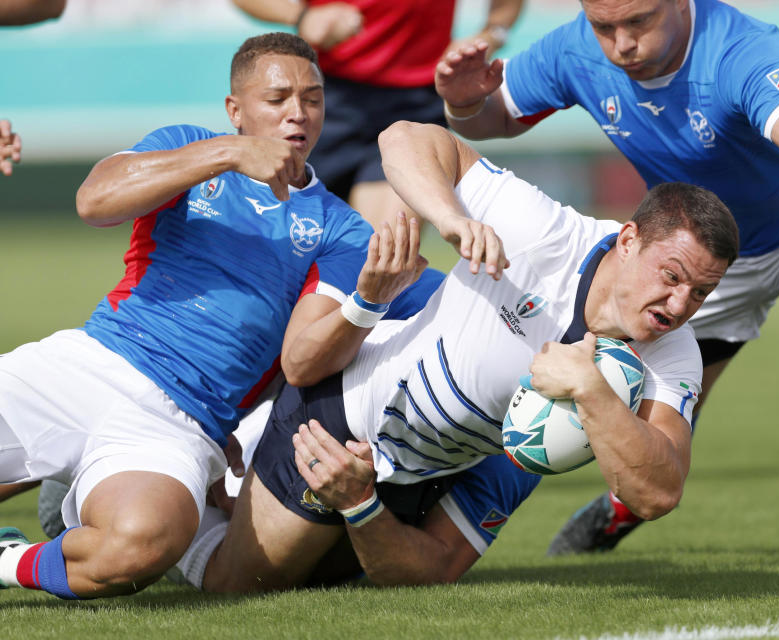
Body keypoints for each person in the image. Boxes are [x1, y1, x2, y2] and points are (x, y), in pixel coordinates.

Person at [434, 0, 779, 561]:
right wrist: (463, 102)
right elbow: (492, 120)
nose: (621, 42)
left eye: (638, 22)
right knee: (652, 395)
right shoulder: (574, 47)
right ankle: (627, 501)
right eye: (605, 27)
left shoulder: (736, 48)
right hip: (699, 262)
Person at [171, 120, 739, 592]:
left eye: (700, 292)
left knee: (378, 575)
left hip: (437, 470)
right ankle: (189, 481)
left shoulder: (674, 353)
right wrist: (453, 219)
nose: (680, 303)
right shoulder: (541, 233)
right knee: (241, 587)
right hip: (343, 420)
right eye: (672, 277)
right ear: (628, 239)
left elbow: (659, 492)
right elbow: (402, 138)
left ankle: (249, 482)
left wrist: (591, 389)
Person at [0, 32, 436, 600]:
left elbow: (302, 355)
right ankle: (57, 483)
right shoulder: (186, 145)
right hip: (93, 363)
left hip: (180, 424)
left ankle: (11, 557)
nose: (297, 114)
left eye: (313, 98)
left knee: (139, 547)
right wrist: (228, 153)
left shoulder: (340, 228)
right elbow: (95, 201)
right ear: (236, 110)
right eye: (277, 99)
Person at [230, 0, 524, 228]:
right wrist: (301, 16)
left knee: (381, 250)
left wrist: (491, 34)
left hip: (415, 103)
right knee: (280, 241)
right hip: (327, 98)